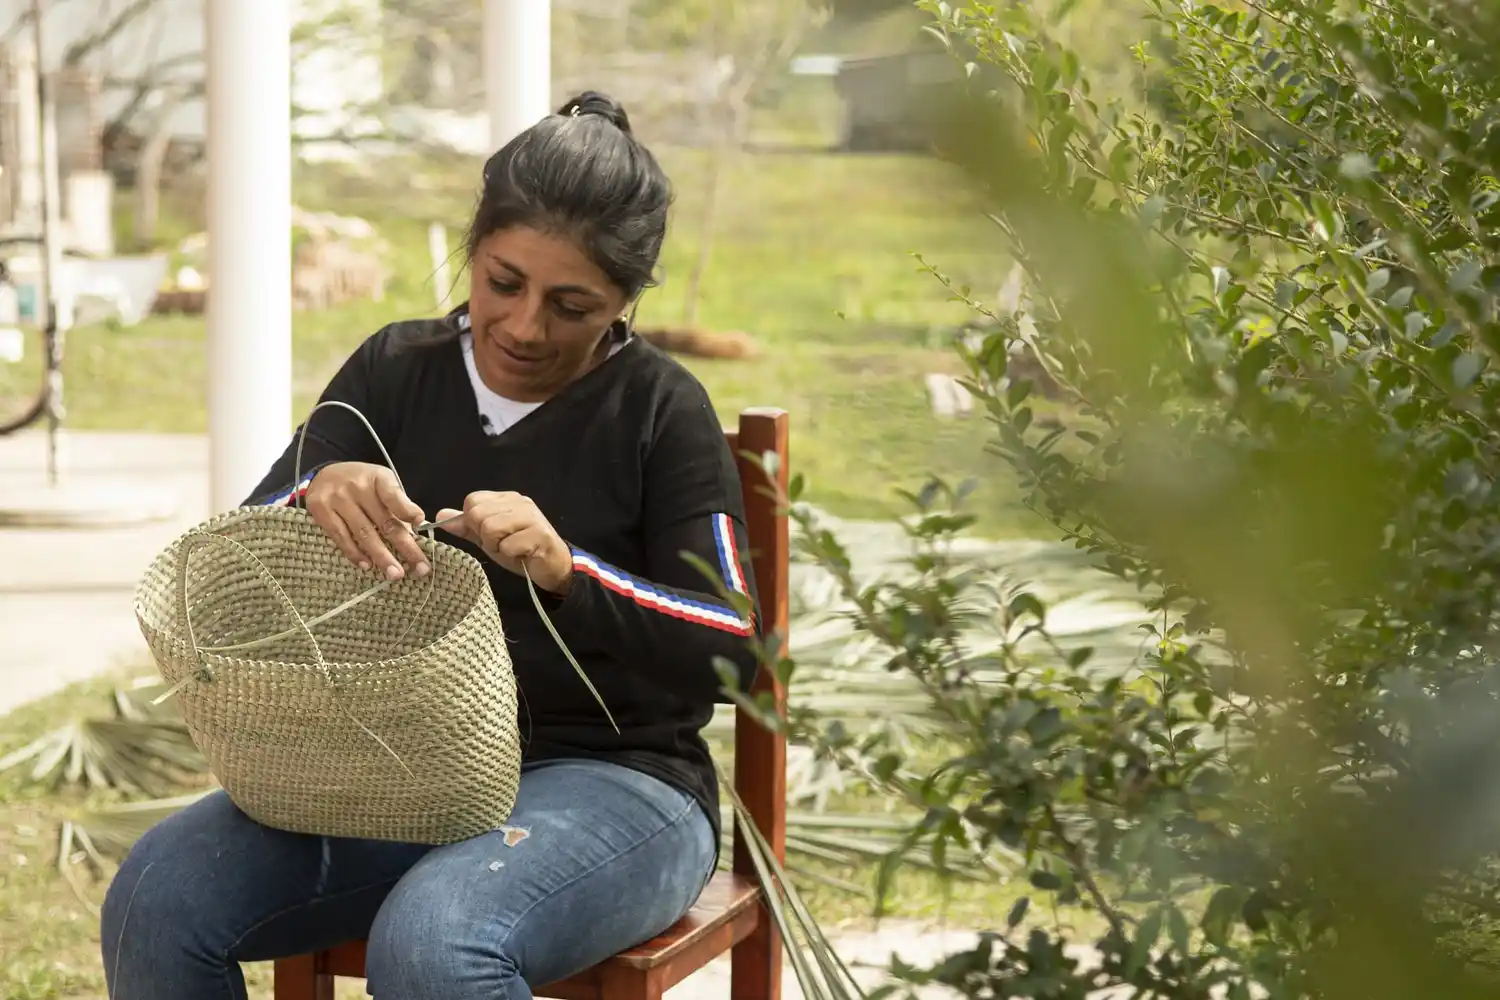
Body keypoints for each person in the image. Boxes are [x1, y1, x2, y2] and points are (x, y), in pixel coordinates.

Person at [100, 91, 763, 1000]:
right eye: (503, 282)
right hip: (392, 773)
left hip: (619, 787)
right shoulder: (393, 370)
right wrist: (314, 488)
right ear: (472, 249)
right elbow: (235, 570)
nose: (526, 327)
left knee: (437, 943)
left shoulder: (661, 410)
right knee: (158, 900)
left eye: (572, 306)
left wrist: (573, 572)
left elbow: (736, 649)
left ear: (626, 300)